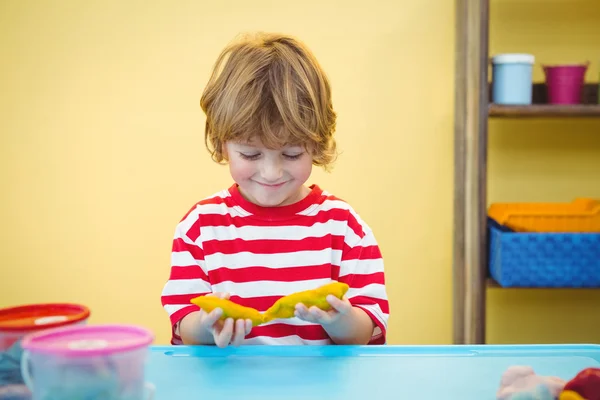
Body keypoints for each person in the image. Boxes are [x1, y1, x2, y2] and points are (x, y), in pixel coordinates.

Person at [160, 32, 389, 347]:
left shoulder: (344, 227)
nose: (271, 172)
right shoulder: (200, 227)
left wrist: (340, 321)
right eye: (251, 154)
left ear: (317, 144)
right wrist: (208, 325)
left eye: (292, 154)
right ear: (222, 144)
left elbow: (368, 330)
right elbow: (184, 325)